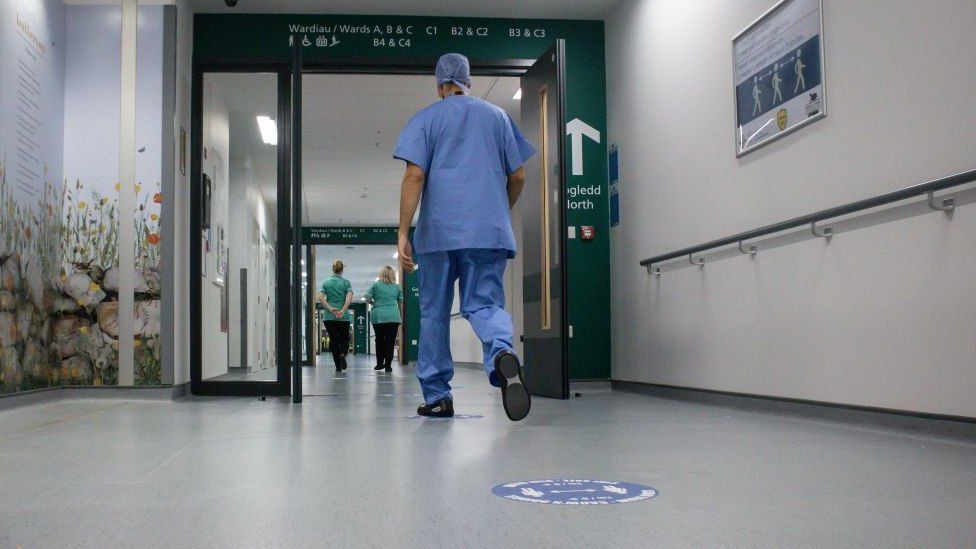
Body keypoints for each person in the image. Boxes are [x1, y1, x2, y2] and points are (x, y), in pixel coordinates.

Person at [394, 52, 536, 421]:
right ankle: (503, 352)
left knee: (434, 314)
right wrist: (498, 212)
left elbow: (414, 176)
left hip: (438, 234)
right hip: (487, 231)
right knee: (484, 305)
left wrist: (403, 233)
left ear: (440, 85)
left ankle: (439, 397)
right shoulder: (498, 117)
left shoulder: (425, 119)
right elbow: (518, 176)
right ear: (468, 82)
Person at [365, 265, 403, 373]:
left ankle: (379, 363)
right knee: (390, 342)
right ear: (392, 274)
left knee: (379, 340)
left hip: (378, 316)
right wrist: (400, 315)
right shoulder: (396, 286)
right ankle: (388, 366)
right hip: (393, 316)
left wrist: (374, 303)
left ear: (381, 273)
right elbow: (400, 302)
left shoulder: (375, 284)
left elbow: (367, 297)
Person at [318, 260, 353, 372]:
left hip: (329, 317)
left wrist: (330, 309)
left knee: (333, 340)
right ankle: (342, 354)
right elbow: (349, 298)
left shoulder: (326, 282)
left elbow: (321, 298)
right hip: (343, 317)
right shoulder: (346, 283)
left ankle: (338, 367)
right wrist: (342, 310)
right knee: (344, 338)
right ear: (342, 270)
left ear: (333, 269)